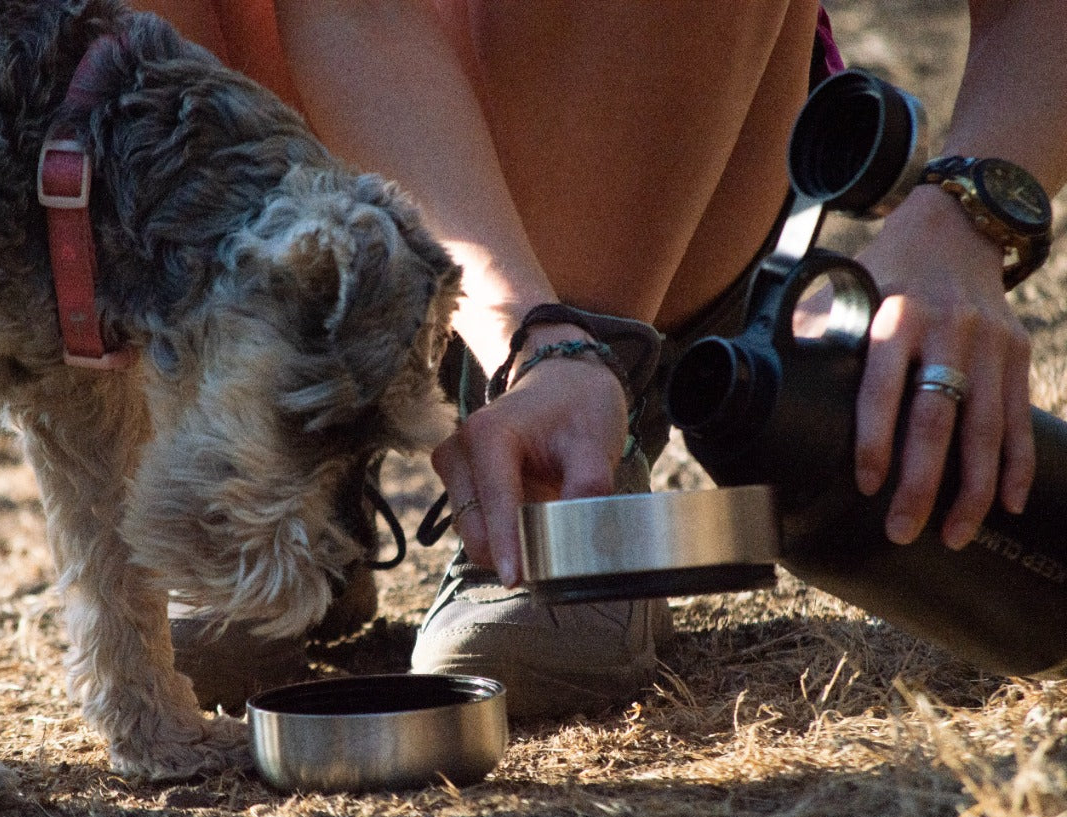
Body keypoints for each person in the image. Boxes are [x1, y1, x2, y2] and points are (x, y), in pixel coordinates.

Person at [138, 0, 1067, 717]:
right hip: (368, 161)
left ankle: (585, 441)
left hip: (656, 149)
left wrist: (963, 220)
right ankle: (280, 425)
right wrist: (531, 338)